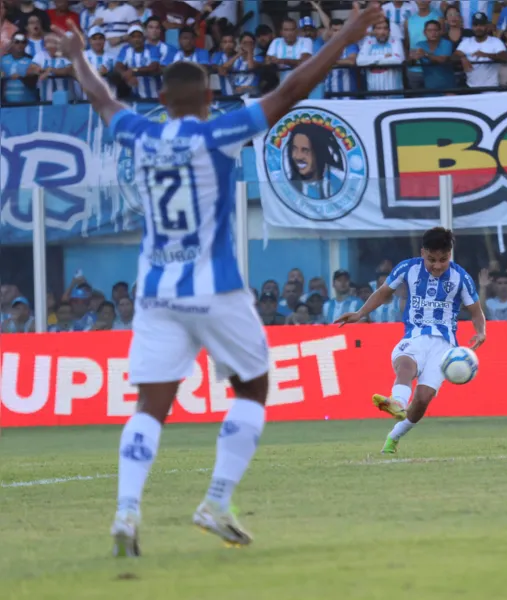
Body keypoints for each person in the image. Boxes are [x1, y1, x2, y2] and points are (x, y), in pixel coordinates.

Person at [48, 2, 384, 556]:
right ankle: (216, 500)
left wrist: (81, 57)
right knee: (252, 387)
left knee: (150, 407)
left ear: (160, 100)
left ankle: (127, 512)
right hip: (215, 286)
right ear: (208, 100)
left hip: (155, 293)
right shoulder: (221, 133)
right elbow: (294, 88)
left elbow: (102, 98)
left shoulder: (140, 135)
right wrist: (345, 35)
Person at [335, 227, 487, 455]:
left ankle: (394, 436)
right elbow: (383, 293)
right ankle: (397, 402)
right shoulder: (408, 268)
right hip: (414, 336)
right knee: (406, 365)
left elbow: (476, 311)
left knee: (423, 398)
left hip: (444, 347)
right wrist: (360, 313)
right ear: (422, 252)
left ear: (450, 254)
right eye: (431, 259)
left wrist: (481, 331)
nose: (437, 265)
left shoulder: (460, 277)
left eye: (443, 260)